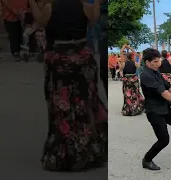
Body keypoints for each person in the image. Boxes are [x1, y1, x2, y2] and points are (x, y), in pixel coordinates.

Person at [28, 0, 107, 171]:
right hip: (82, 59)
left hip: (60, 59)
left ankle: (65, 153)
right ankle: (88, 150)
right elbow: (94, 18)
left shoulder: (50, 7)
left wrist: (32, 2)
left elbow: (40, 23)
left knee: (62, 108)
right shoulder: (84, 6)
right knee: (84, 105)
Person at [119, 44, 144, 116]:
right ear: (132, 57)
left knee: (128, 94)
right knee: (135, 93)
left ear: (126, 57)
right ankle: (136, 108)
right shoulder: (136, 63)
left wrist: (124, 46)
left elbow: (121, 52)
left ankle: (128, 110)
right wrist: (130, 47)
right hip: (134, 79)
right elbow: (136, 54)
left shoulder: (124, 63)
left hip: (127, 79)